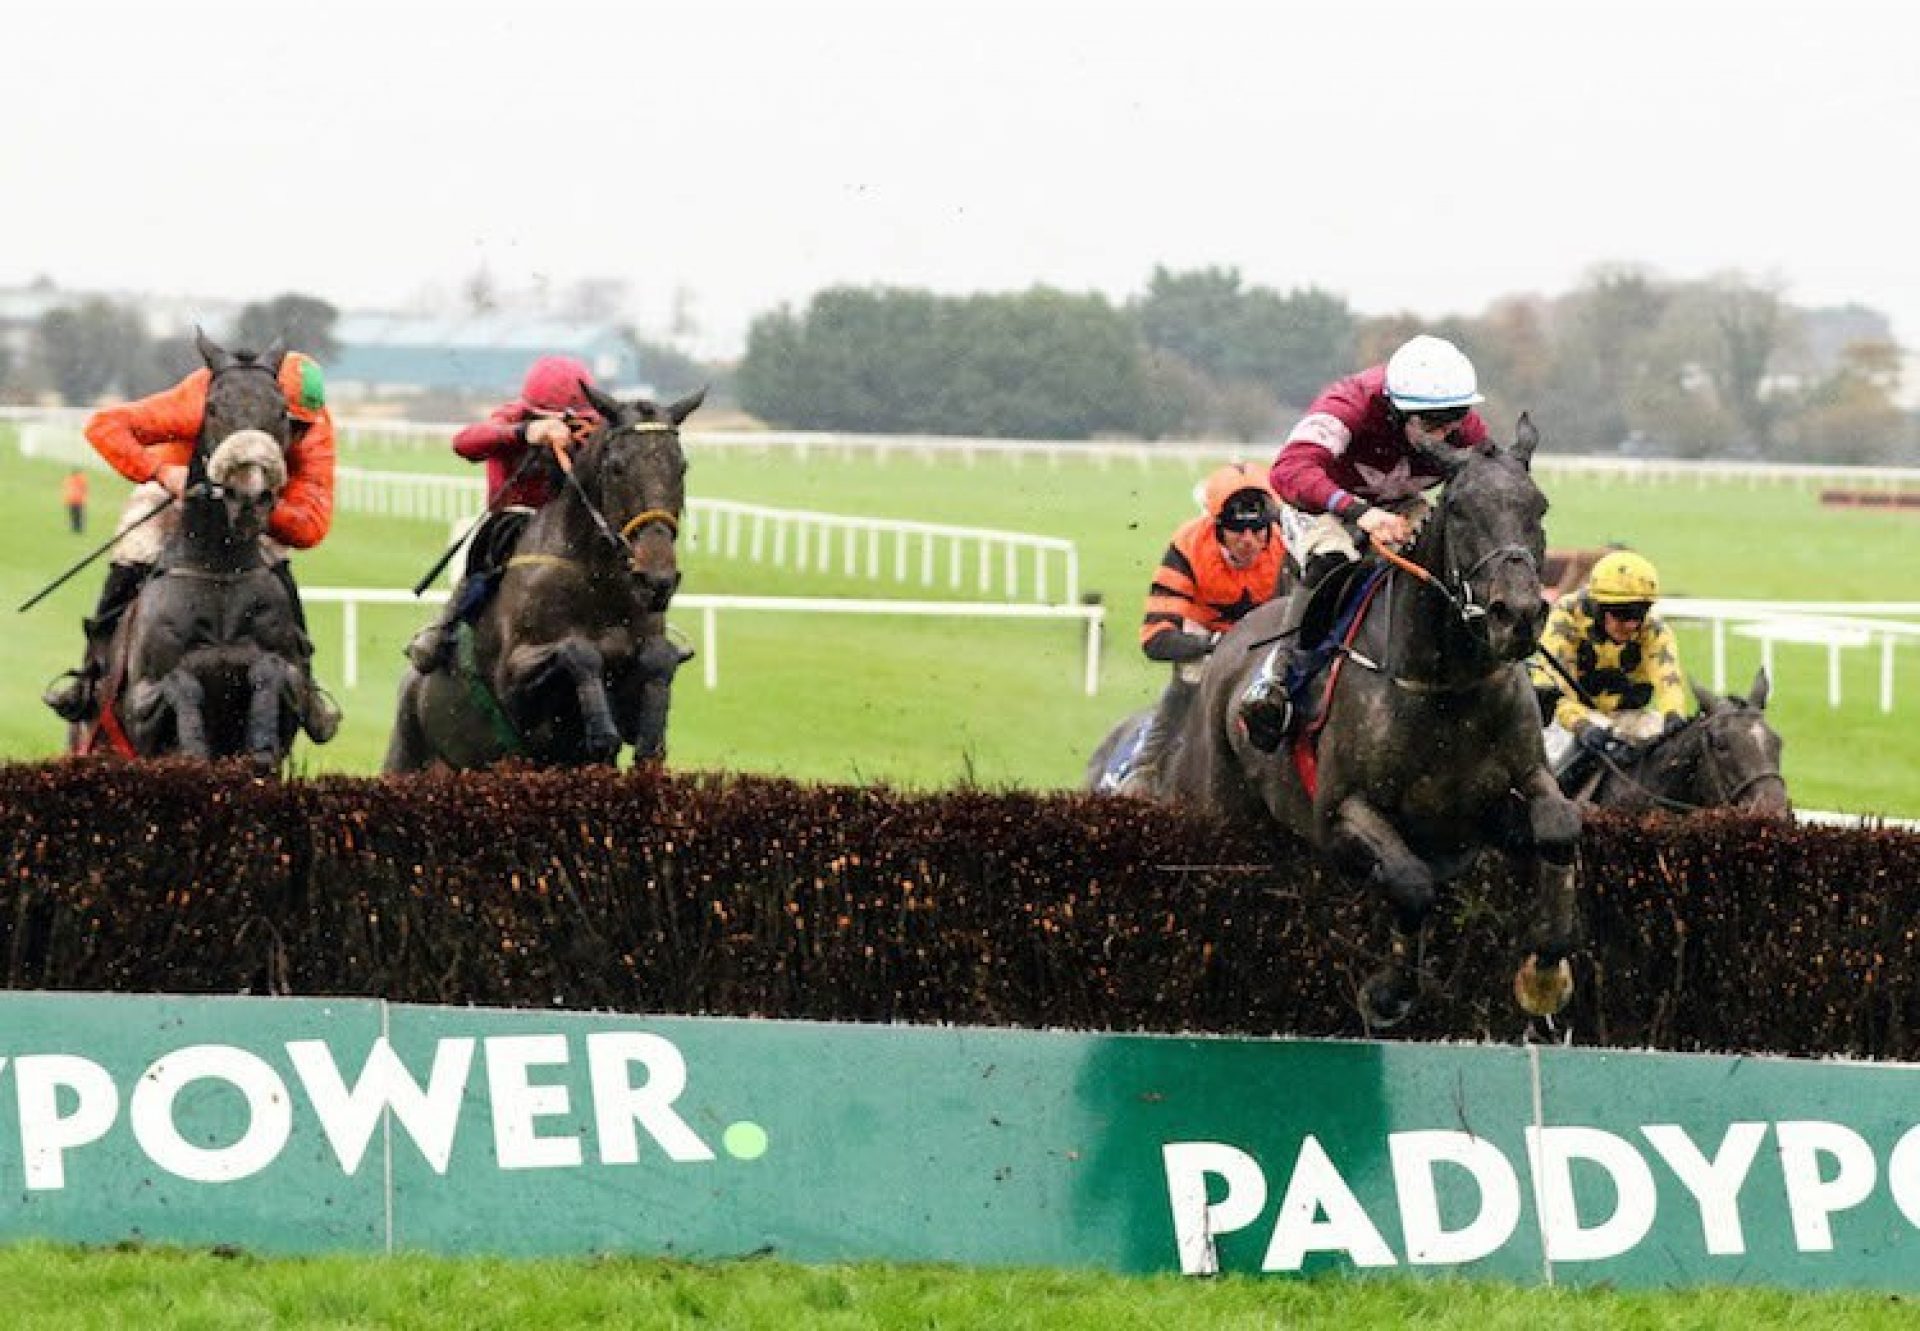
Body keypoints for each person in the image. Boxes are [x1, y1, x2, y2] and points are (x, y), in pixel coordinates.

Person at [41, 351, 340, 739]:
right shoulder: (200, 397)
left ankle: (306, 688)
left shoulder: (314, 428)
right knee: (136, 550)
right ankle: (89, 677)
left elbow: (312, 525)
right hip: (174, 494)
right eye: (292, 425)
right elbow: (104, 426)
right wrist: (162, 472)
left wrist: (263, 506)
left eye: (297, 427)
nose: (294, 438)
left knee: (278, 569)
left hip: (253, 501)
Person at [1235, 334, 1493, 751]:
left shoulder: (1464, 429)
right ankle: (1278, 679)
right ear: (1394, 409)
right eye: (1431, 423)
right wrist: (1358, 512)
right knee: (1332, 559)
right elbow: (1289, 470)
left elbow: (1496, 477)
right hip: (1323, 503)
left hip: (1396, 503)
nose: (1447, 433)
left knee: (1454, 554)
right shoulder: (1350, 405)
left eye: (1456, 417)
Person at [403, 355, 604, 672]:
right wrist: (525, 432)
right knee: (487, 566)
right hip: (512, 521)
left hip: (568, 527)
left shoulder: (593, 426)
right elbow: (464, 442)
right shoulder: (512, 417)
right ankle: (447, 626)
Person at [1123, 462, 1286, 789]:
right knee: (1193, 672)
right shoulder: (1189, 546)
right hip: (1204, 636)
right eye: (1238, 530)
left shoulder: (1285, 546)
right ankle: (1146, 767)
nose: (1249, 542)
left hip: (1263, 637)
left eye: (1258, 530)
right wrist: (1212, 645)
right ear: (1217, 527)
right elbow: (1155, 639)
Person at [1528, 549, 1689, 791]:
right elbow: (1552, 689)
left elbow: (1669, 682)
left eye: (1639, 613)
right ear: (1598, 608)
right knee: (1548, 773)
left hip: (1628, 716)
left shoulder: (1653, 628)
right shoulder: (1566, 617)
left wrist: (1674, 716)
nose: (1633, 624)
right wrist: (1582, 727)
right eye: (1623, 614)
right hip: (1566, 719)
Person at [62, 468, 88, 534]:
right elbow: (85, 489)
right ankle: (79, 529)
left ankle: (75, 528)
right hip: (79, 500)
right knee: (79, 515)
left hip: (72, 500)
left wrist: (66, 499)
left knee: (73, 515)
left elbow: (66, 489)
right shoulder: (82, 479)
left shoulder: (69, 479)